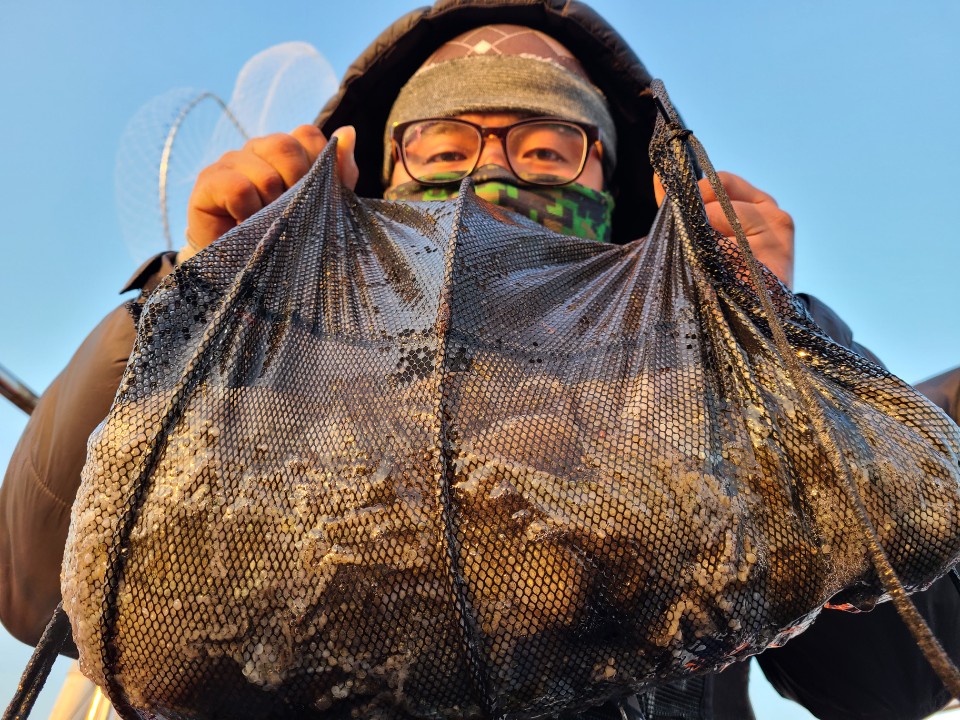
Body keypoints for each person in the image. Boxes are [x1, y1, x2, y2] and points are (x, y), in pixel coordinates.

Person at [1, 2, 957, 719]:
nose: (489, 176)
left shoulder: (693, 370)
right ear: (381, 172)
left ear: (613, 182)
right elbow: (37, 591)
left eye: (547, 150)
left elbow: (899, 677)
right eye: (444, 144)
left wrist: (775, 338)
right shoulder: (279, 353)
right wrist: (194, 303)